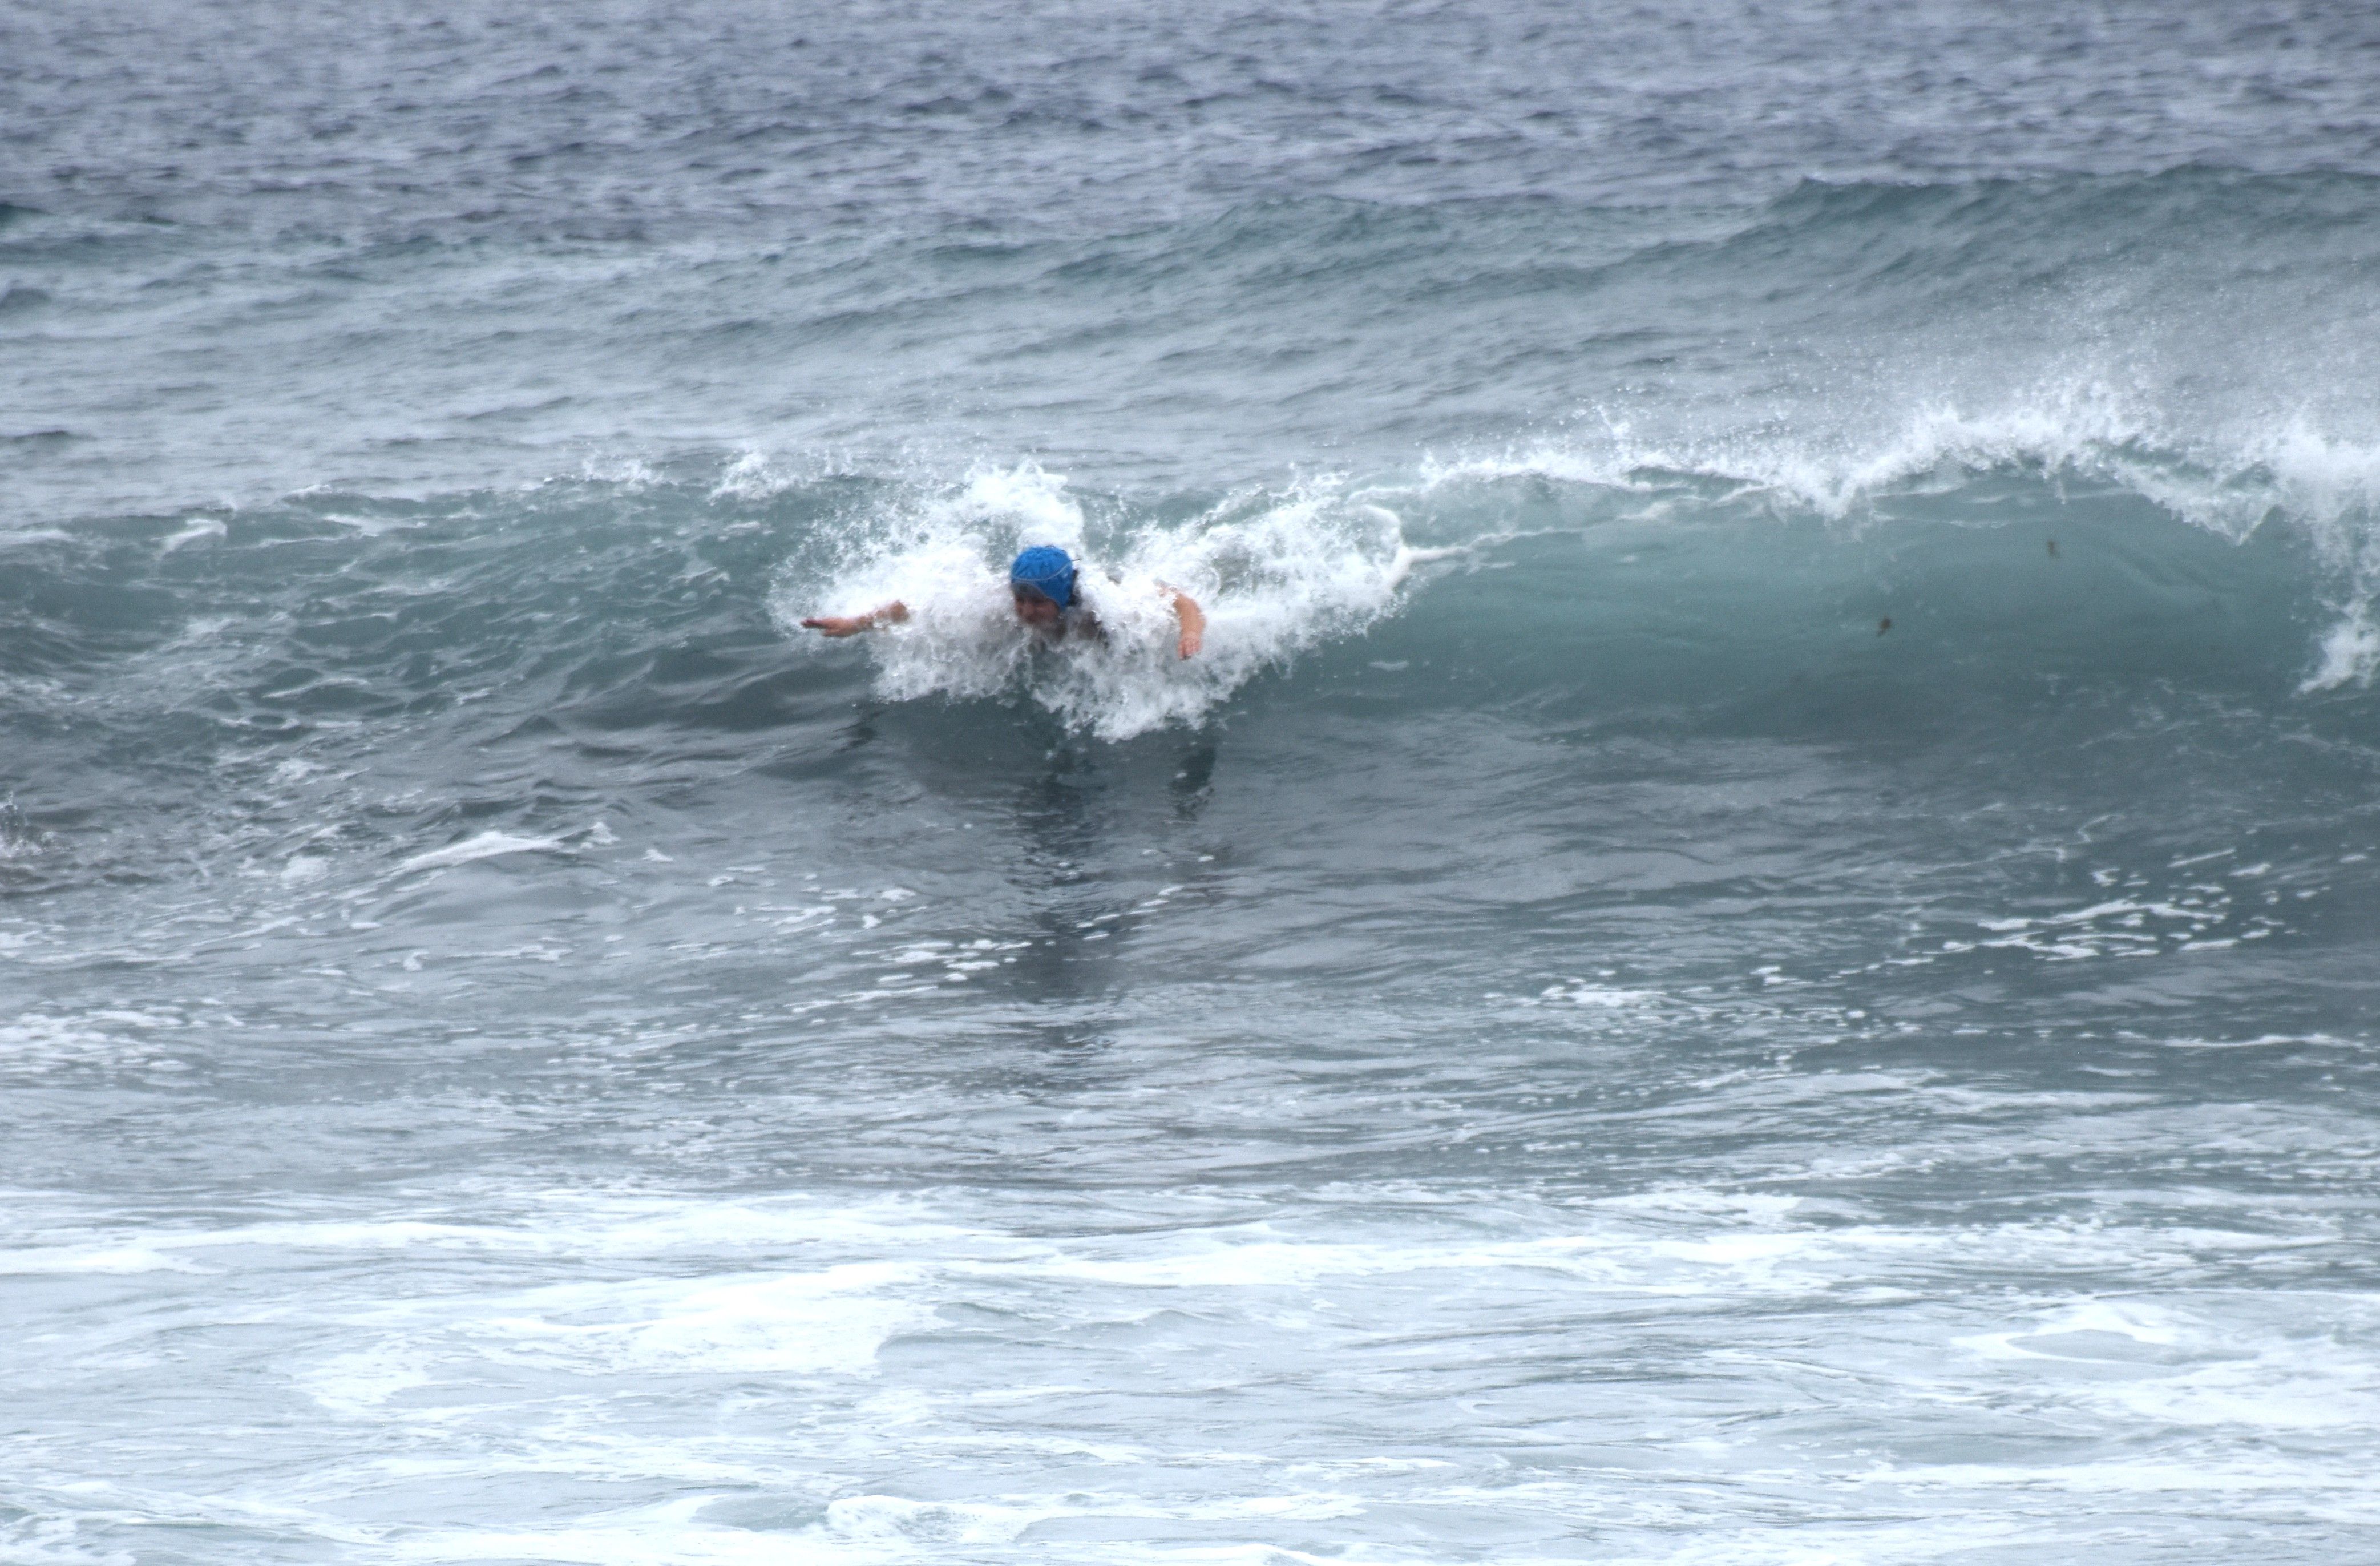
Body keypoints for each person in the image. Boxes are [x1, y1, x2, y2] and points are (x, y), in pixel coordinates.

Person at [802, 545, 1205, 659]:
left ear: (1060, 597)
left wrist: (1188, 635)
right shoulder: (997, 597)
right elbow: (917, 607)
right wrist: (856, 624)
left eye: (1037, 603)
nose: (1025, 611)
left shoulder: (1104, 604)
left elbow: (1182, 602)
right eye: (1020, 599)